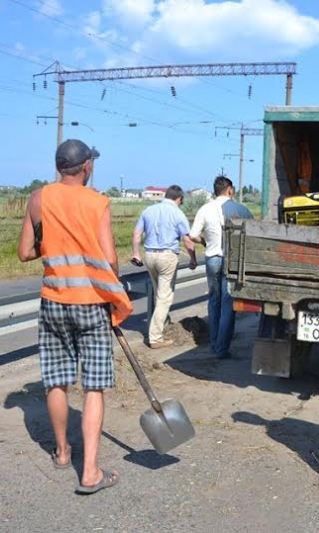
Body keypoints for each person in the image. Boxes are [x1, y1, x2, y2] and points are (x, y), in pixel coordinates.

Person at [17, 139, 133, 494]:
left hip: (53, 300)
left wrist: (52, 243)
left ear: (58, 167)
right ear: (86, 167)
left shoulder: (38, 198)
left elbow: (24, 252)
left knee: (56, 379)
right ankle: (91, 473)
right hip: (91, 301)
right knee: (94, 384)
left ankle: (64, 452)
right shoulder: (98, 202)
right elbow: (110, 260)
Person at [189, 175, 253, 358]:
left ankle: (214, 342)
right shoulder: (241, 209)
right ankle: (221, 349)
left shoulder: (205, 209)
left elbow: (192, 235)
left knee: (214, 300)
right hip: (231, 260)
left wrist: (206, 242)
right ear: (230, 190)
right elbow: (256, 231)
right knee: (228, 303)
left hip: (212, 259)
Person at [132, 185, 197, 348]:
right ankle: (155, 337)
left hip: (149, 255)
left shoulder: (148, 211)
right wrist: (193, 258)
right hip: (167, 256)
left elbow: (136, 234)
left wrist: (135, 254)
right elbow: (187, 240)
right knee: (164, 297)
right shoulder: (178, 213)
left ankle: (161, 323)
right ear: (179, 199)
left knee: (158, 292)